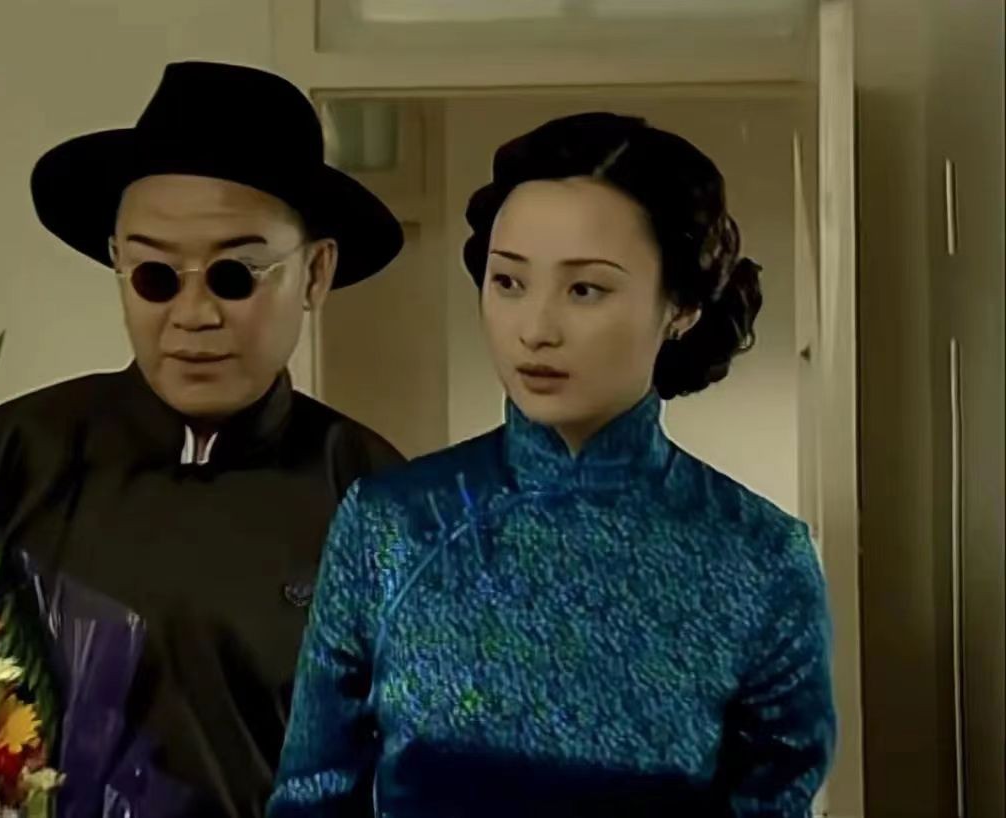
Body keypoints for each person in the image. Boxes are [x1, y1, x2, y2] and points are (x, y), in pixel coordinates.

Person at [269, 113, 835, 817]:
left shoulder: (760, 556)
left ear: (682, 306)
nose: (535, 329)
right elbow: (312, 795)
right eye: (509, 282)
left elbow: (774, 798)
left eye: (584, 289)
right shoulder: (390, 524)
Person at [0, 61, 406, 815]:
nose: (192, 315)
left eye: (235, 275)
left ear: (316, 272)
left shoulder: (375, 497)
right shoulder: (9, 459)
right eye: (155, 274)